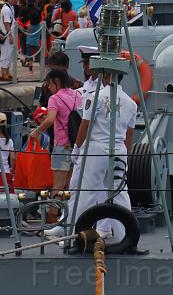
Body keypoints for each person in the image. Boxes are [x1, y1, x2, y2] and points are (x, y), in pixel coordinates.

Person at [46, 69, 137, 242]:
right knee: (120, 193)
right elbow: (129, 134)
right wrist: (126, 157)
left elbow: (85, 125)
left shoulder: (96, 97)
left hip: (96, 148)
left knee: (86, 192)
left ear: (108, 76)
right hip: (119, 149)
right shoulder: (130, 103)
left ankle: (72, 235)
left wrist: (77, 148)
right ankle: (126, 236)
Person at [29, 69, 83, 196]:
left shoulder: (54, 98)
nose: (48, 87)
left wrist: (36, 131)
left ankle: (53, 215)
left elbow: (50, 120)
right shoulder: (78, 95)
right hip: (76, 146)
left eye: (50, 84)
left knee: (57, 186)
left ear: (57, 82)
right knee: (71, 186)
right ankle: (69, 214)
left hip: (61, 146)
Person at [0, 0, 17, 81]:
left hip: (10, 33)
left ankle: (7, 72)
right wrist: (10, 36)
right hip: (6, 34)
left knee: (9, 54)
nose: (15, 0)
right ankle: (3, 73)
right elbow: (6, 23)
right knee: (5, 53)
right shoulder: (6, 9)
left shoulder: (11, 8)